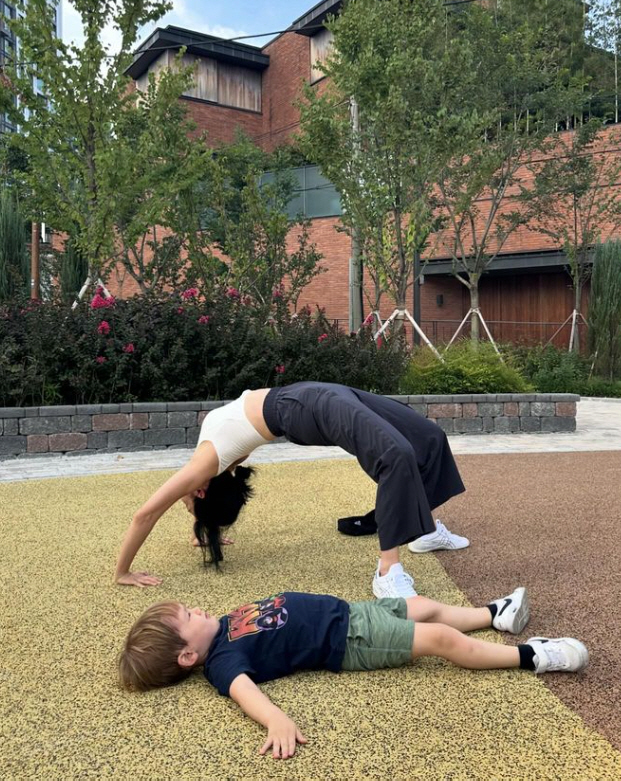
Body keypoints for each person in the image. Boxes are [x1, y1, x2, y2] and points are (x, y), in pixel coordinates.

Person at [118, 586, 589, 760]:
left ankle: (493, 615)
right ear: (186, 657)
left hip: (350, 612)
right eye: (188, 616)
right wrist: (275, 720)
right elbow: (245, 692)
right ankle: (532, 656)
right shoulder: (221, 663)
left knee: (420, 606)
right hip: (350, 641)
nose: (198, 609)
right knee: (439, 641)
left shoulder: (220, 627)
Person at [115, 382, 470, 598]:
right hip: (306, 406)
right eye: (188, 505)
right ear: (202, 492)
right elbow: (145, 515)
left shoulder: (218, 462)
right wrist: (124, 572)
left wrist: (206, 531)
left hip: (315, 393)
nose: (181, 500)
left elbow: (183, 505)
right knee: (395, 454)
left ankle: (422, 532)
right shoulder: (207, 465)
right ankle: (387, 573)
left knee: (429, 437)